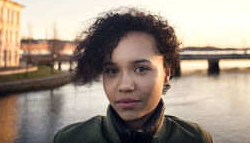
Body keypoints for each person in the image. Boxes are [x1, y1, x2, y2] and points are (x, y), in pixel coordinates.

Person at [53, 8, 213, 143]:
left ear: (166, 74)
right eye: (112, 71)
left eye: (141, 69)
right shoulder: (70, 139)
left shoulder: (196, 138)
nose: (125, 86)